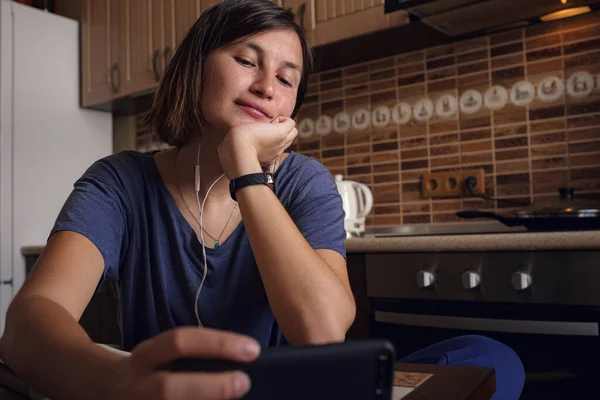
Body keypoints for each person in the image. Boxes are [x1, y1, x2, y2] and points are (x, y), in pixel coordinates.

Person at [0, 1, 524, 399]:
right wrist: (119, 377)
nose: (266, 86)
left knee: (493, 359)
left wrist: (246, 170)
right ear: (195, 68)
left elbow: (320, 333)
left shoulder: (305, 183)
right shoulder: (120, 183)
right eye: (246, 61)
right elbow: (30, 321)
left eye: (286, 78)